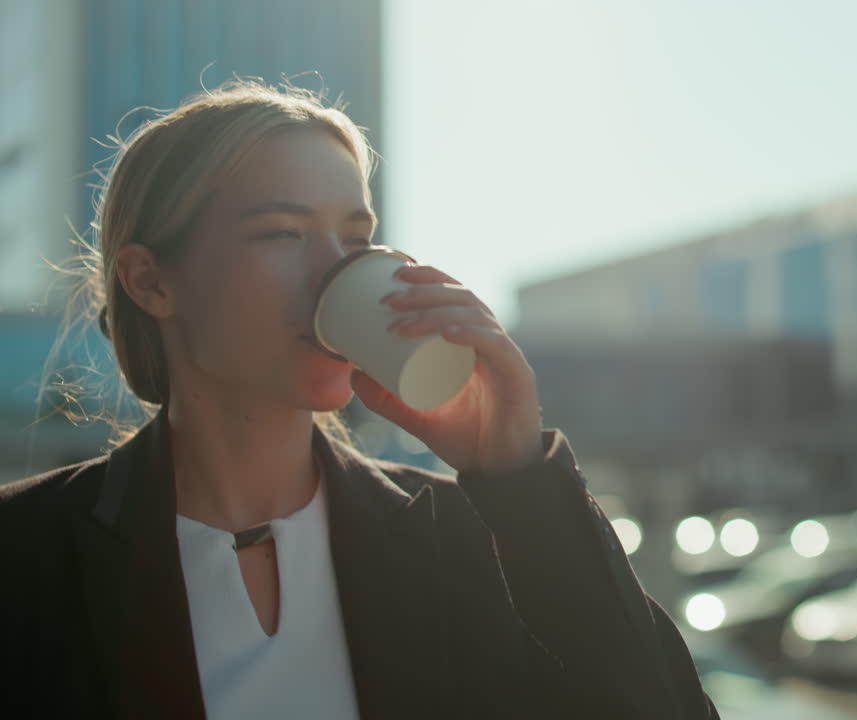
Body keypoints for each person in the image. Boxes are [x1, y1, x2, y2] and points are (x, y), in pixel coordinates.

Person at [0, 81, 718, 719]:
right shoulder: (27, 554)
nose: (336, 274)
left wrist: (520, 478)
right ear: (151, 282)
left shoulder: (467, 536)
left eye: (355, 237)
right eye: (281, 233)